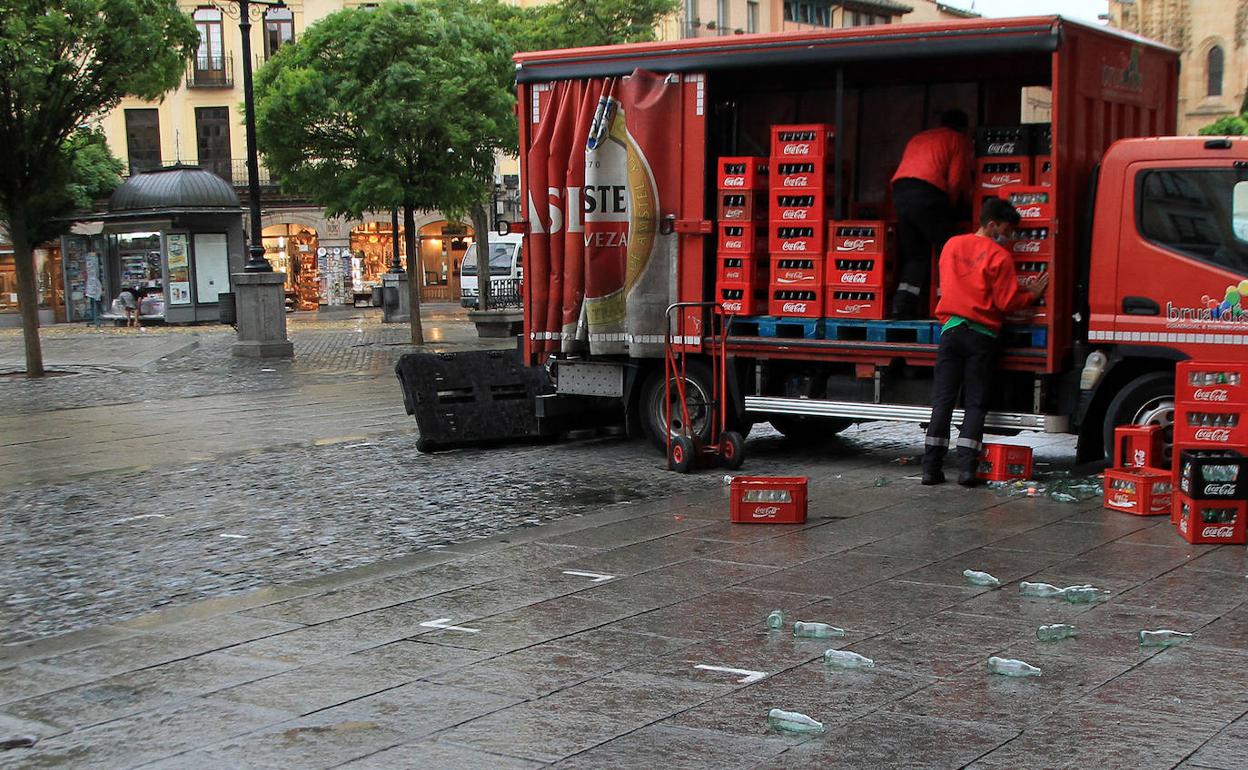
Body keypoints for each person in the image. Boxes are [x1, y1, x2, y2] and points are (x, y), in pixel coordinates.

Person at [922, 198, 1049, 487]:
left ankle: (931, 469)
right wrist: (1030, 294)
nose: (1010, 236)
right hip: (982, 336)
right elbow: (1005, 302)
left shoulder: (952, 245)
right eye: (1007, 229)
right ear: (992, 224)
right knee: (975, 404)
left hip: (951, 330)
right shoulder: (999, 256)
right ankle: (967, 470)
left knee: (943, 400)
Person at [890, 109, 974, 319]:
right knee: (949, 248)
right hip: (928, 193)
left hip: (901, 192)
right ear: (963, 128)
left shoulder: (919, 137)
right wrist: (954, 208)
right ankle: (948, 303)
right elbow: (956, 179)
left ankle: (902, 307)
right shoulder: (958, 140)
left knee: (915, 254)